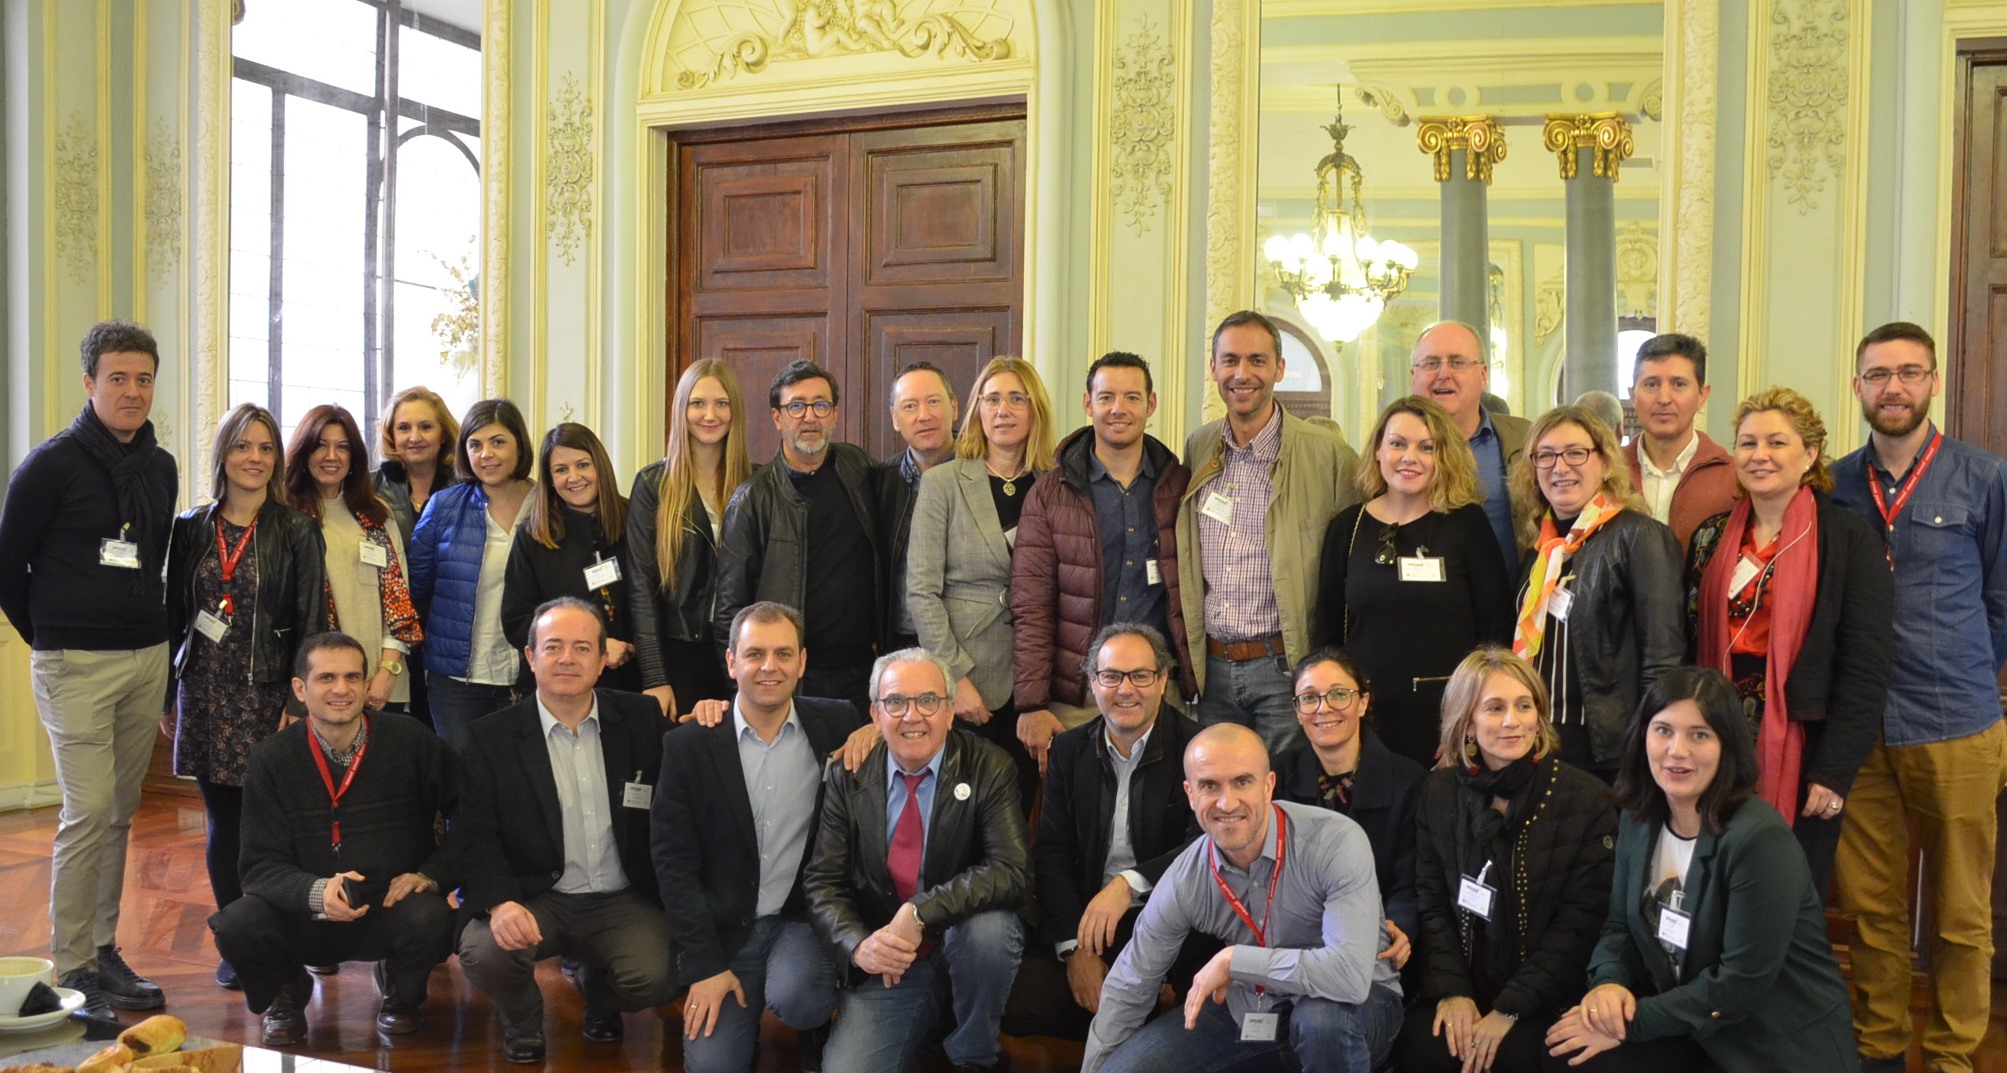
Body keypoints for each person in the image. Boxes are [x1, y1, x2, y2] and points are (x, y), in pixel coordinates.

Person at [1828, 322, 2007, 1073]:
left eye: (1907, 372)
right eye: (1877, 374)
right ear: (1858, 386)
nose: (1892, 387)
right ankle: (1879, 1045)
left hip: (1956, 720)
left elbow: (2001, 598)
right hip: (1856, 727)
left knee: (1960, 913)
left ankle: (1953, 1054)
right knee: (1870, 908)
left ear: (1932, 381)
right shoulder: (1831, 482)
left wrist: (1965, 669)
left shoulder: (1983, 477)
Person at [1544, 666, 1856, 1072]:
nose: (1677, 750)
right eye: (1663, 730)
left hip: (1770, 1046)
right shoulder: (1637, 819)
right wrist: (1608, 985)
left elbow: (1739, 987)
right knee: (1565, 1054)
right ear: (1643, 737)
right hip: (1691, 1031)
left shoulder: (1759, 839)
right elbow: (1619, 928)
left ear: (1728, 745)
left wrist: (1626, 1023)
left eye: (1700, 735)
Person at [0, 320, 178, 1014]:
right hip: (73, 661)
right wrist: (50, 635)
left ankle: (104, 949)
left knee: (121, 810)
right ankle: (70, 966)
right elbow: (8, 564)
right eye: (117, 378)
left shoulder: (159, 466)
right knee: (89, 808)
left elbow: (156, 553)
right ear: (89, 383)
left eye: (142, 378)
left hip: (144, 656)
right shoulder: (52, 464)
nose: (132, 391)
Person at [1081, 723, 1404, 1073]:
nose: (1226, 802)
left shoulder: (1335, 841)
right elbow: (1131, 983)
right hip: (1252, 1008)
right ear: (1191, 794)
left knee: (1321, 1022)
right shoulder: (1186, 876)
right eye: (1209, 786)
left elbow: (1349, 977)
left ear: (1268, 786)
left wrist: (1235, 960)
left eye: (1242, 782)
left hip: (1354, 1009)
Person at [1684, 387, 1892, 892]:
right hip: (1716, 735)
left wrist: (1834, 771)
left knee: (1787, 892)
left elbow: (1866, 665)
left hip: (1803, 744)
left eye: (1777, 442)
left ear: (1811, 455)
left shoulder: (1848, 539)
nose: (1759, 456)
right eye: (1748, 443)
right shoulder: (1710, 538)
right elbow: (1688, 646)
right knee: (1710, 883)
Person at [208, 632, 458, 1046]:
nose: (341, 689)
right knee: (236, 926)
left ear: (366, 685)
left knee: (432, 917)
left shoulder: (412, 741)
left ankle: (401, 989)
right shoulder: (271, 759)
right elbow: (257, 866)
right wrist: (314, 891)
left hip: (389, 902)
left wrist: (432, 874)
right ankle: (287, 990)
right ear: (300, 689)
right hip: (303, 910)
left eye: (353, 677)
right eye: (327, 678)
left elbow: (472, 814)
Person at [453, 597, 674, 1063]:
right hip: (535, 897)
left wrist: (713, 712)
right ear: (531, 658)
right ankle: (524, 1021)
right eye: (553, 647)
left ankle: (602, 993)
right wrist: (500, 901)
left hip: (621, 896)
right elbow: (473, 833)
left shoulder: (641, 720)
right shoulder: (490, 736)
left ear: (602, 660)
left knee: (658, 974)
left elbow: (680, 802)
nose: (567, 659)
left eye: (581, 648)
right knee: (485, 951)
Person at [651, 601, 863, 1073]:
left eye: (784, 654)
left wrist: (876, 733)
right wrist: (705, 966)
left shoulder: (840, 724)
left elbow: (902, 728)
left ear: (803, 662)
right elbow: (673, 866)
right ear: (731, 662)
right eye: (754, 654)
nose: (770, 667)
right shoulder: (688, 745)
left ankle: (816, 1022)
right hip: (723, 934)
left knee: (802, 998)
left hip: (800, 922)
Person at [801, 647, 1030, 1073]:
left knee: (988, 932)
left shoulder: (990, 766)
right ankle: (928, 1017)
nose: (912, 716)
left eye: (928, 701)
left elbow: (1011, 870)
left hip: (966, 942)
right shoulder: (846, 775)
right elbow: (823, 882)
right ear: (875, 712)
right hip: (892, 958)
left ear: (949, 711)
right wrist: (859, 945)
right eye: (896, 702)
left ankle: (975, 1055)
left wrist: (921, 911)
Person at [166, 403, 329, 991]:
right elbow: (175, 616)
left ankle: (288, 936)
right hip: (205, 690)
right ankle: (237, 939)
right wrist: (168, 695)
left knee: (274, 825)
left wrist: (300, 699)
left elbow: (312, 618)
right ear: (223, 456)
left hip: (268, 695)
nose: (254, 459)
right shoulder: (191, 525)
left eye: (265, 448)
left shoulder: (297, 529)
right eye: (242, 447)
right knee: (222, 823)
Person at [1396, 646, 1615, 1073]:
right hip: (1464, 983)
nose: (1513, 721)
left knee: (1512, 1059)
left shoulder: (1587, 799)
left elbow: (1582, 921)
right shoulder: (1438, 792)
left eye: (1524, 705)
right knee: (1422, 1049)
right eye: (1495, 708)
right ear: (1468, 723)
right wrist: (1451, 990)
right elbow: (1432, 901)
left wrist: (1511, 1007)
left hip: (1548, 995)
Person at [1180, 310, 1362, 756]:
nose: (1243, 374)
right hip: (1212, 670)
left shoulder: (1329, 456)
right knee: (1221, 795)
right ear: (1214, 369)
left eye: (1257, 361)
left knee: (1284, 798)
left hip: (1286, 669)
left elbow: (1351, 567)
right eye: (1230, 361)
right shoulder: (1199, 446)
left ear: (1279, 369)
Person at [1012, 623, 1204, 1041]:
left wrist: (1128, 883)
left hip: (1172, 922)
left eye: (1140, 676)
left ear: (1163, 679)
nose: (1125, 690)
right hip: (1092, 925)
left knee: (1170, 1018)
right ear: (1092, 683)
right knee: (1021, 1001)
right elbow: (1053, 854)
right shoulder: (1068, 750)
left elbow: (1203, 847)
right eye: (1111, 676)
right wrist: (1074, 950)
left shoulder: (1198, 748)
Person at [1012, 351, 1195, 769]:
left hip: (1159, 690)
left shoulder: (1178, 484)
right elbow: (1031, 603)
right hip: (1076, 695)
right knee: (1076, 820)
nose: (1118, 409)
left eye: (1132, 397)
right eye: (1107, 396)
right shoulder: (1050, 493)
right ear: (1087, 403)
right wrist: (1033, 703)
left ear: (1151, 405)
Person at [1314, 396, 1513, 766]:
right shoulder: (1348, 526)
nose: (1410, 457)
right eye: (1398, 444)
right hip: (1363, 721)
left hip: (1446, 720)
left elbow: (1495, 634)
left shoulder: (1466, 524)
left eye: (1427, 447)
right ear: (1377, 450)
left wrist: (1469, 722)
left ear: (1444, 457)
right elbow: (1327, 635)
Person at [907, 356, 1056, 813]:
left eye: (1017, 399)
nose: (1003, 410)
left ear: (1035, 411)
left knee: (1021, 808)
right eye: (992, 399)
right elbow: (921, 591)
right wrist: (955, 677)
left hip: (1037, 679)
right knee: (960, 808)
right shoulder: (943, 483)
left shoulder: (1055, 485)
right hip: (967, 677)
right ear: (976, 410)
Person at [1509, 405, 1683, 778]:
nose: (1560, 467)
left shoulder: (1639, 536)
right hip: (1536, 734)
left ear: (1605, 463)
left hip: (1602, 746)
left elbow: (1662, 661)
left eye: (1576, 453)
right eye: (1546, 455)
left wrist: (1653, 743)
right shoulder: (1543, 548)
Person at [715, 359, 884, 713]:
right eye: (797, 406)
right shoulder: (752, 499)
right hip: (790, 679)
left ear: (834, 414)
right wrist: (745, 689)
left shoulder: (858, 469)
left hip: (861, 674)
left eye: (821, 405)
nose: (810, 417)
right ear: (778, 417)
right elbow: (730, 608)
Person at [1273, 647, 1425, 957]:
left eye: (1339, 694)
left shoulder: (1410, 781)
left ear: (1363, 702)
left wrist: (1400, 924)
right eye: (1310, 697)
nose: (1323, 708)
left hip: (1376, 944)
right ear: (1297, 710)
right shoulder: (1275, 778)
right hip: (1294, 945)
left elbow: (1413, 879)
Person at [408, 398, 535, 751]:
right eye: (475, 444)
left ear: (519, 445)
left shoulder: (546, 505)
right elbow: (415, 588)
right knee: (464, 787)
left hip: (530, 674)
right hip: (457, 680)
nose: (486, 455)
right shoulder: (445, 506)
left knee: (520, 783)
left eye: (498, 442)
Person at [629, 359, 752, 717]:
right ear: (681, 410)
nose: (709, 414)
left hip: (741, 653)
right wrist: (654, 676)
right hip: (676, 654)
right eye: (697, 403)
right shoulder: (653, 484)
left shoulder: (755, 484)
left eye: (721, 403)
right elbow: (641, 585)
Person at [283, 403, 422, 713]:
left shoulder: (377, 514)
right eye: (321, 445)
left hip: (380, 685)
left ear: (354, 458)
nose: (332, 456)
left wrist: (389, 671)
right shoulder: (286, 520)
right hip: (320, 689)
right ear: (304, 453)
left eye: (342, 447)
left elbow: (400, 600)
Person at [503, 422, 640, 695]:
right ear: (549, 479)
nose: (574, 477)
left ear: (599, 466)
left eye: (583, 465)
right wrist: (595, 649)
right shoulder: (533, 536)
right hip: (561, 683)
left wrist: (632, 647)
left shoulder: (637, 520)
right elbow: (517, 619)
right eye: (561, 470)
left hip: (631, 681)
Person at [1410, 321, 1531, 572]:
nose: (1444, 373)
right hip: (1421, 605)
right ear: (1414, 376)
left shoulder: (1526, 438)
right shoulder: (1392, 451)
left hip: (1512, 606)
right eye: (1431, 363)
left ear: (1483, 375)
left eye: (1457, 362)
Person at [1622, 334, 1735, 551]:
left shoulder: (1733, 479)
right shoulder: (1607, 473)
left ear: (1702, 395)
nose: (1664, 398)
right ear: (1632, 395)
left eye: (1679, 384)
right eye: (1651, 384)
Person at [877, 362, 961, 650]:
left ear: (955, 408)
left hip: (971, 644)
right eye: (910, 406)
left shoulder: (986, 474)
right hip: (899, 644)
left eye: (934, 402)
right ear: (895, 419)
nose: (924, 416)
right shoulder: (881, 483)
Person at [374, 385, 460, 559]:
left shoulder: (466, 489)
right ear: (392, 434)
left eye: (426, 427)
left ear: (443, 434)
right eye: (404, 428)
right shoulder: (369, 487)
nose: (414, 437)